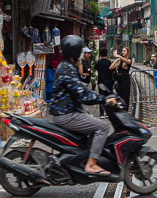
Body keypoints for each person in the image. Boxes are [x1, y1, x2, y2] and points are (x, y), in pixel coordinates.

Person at [49, 35, 119, 178]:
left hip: (68, 111)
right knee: (102, 127)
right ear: (75, 52)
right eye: (80, 50)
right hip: (67, 114)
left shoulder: (67, 66)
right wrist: (104, 100)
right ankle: (91, 164)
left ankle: (82, 160)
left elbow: (80, 90)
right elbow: (83, 94)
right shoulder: (67, 68)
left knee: (92, 125)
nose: (82, 53)